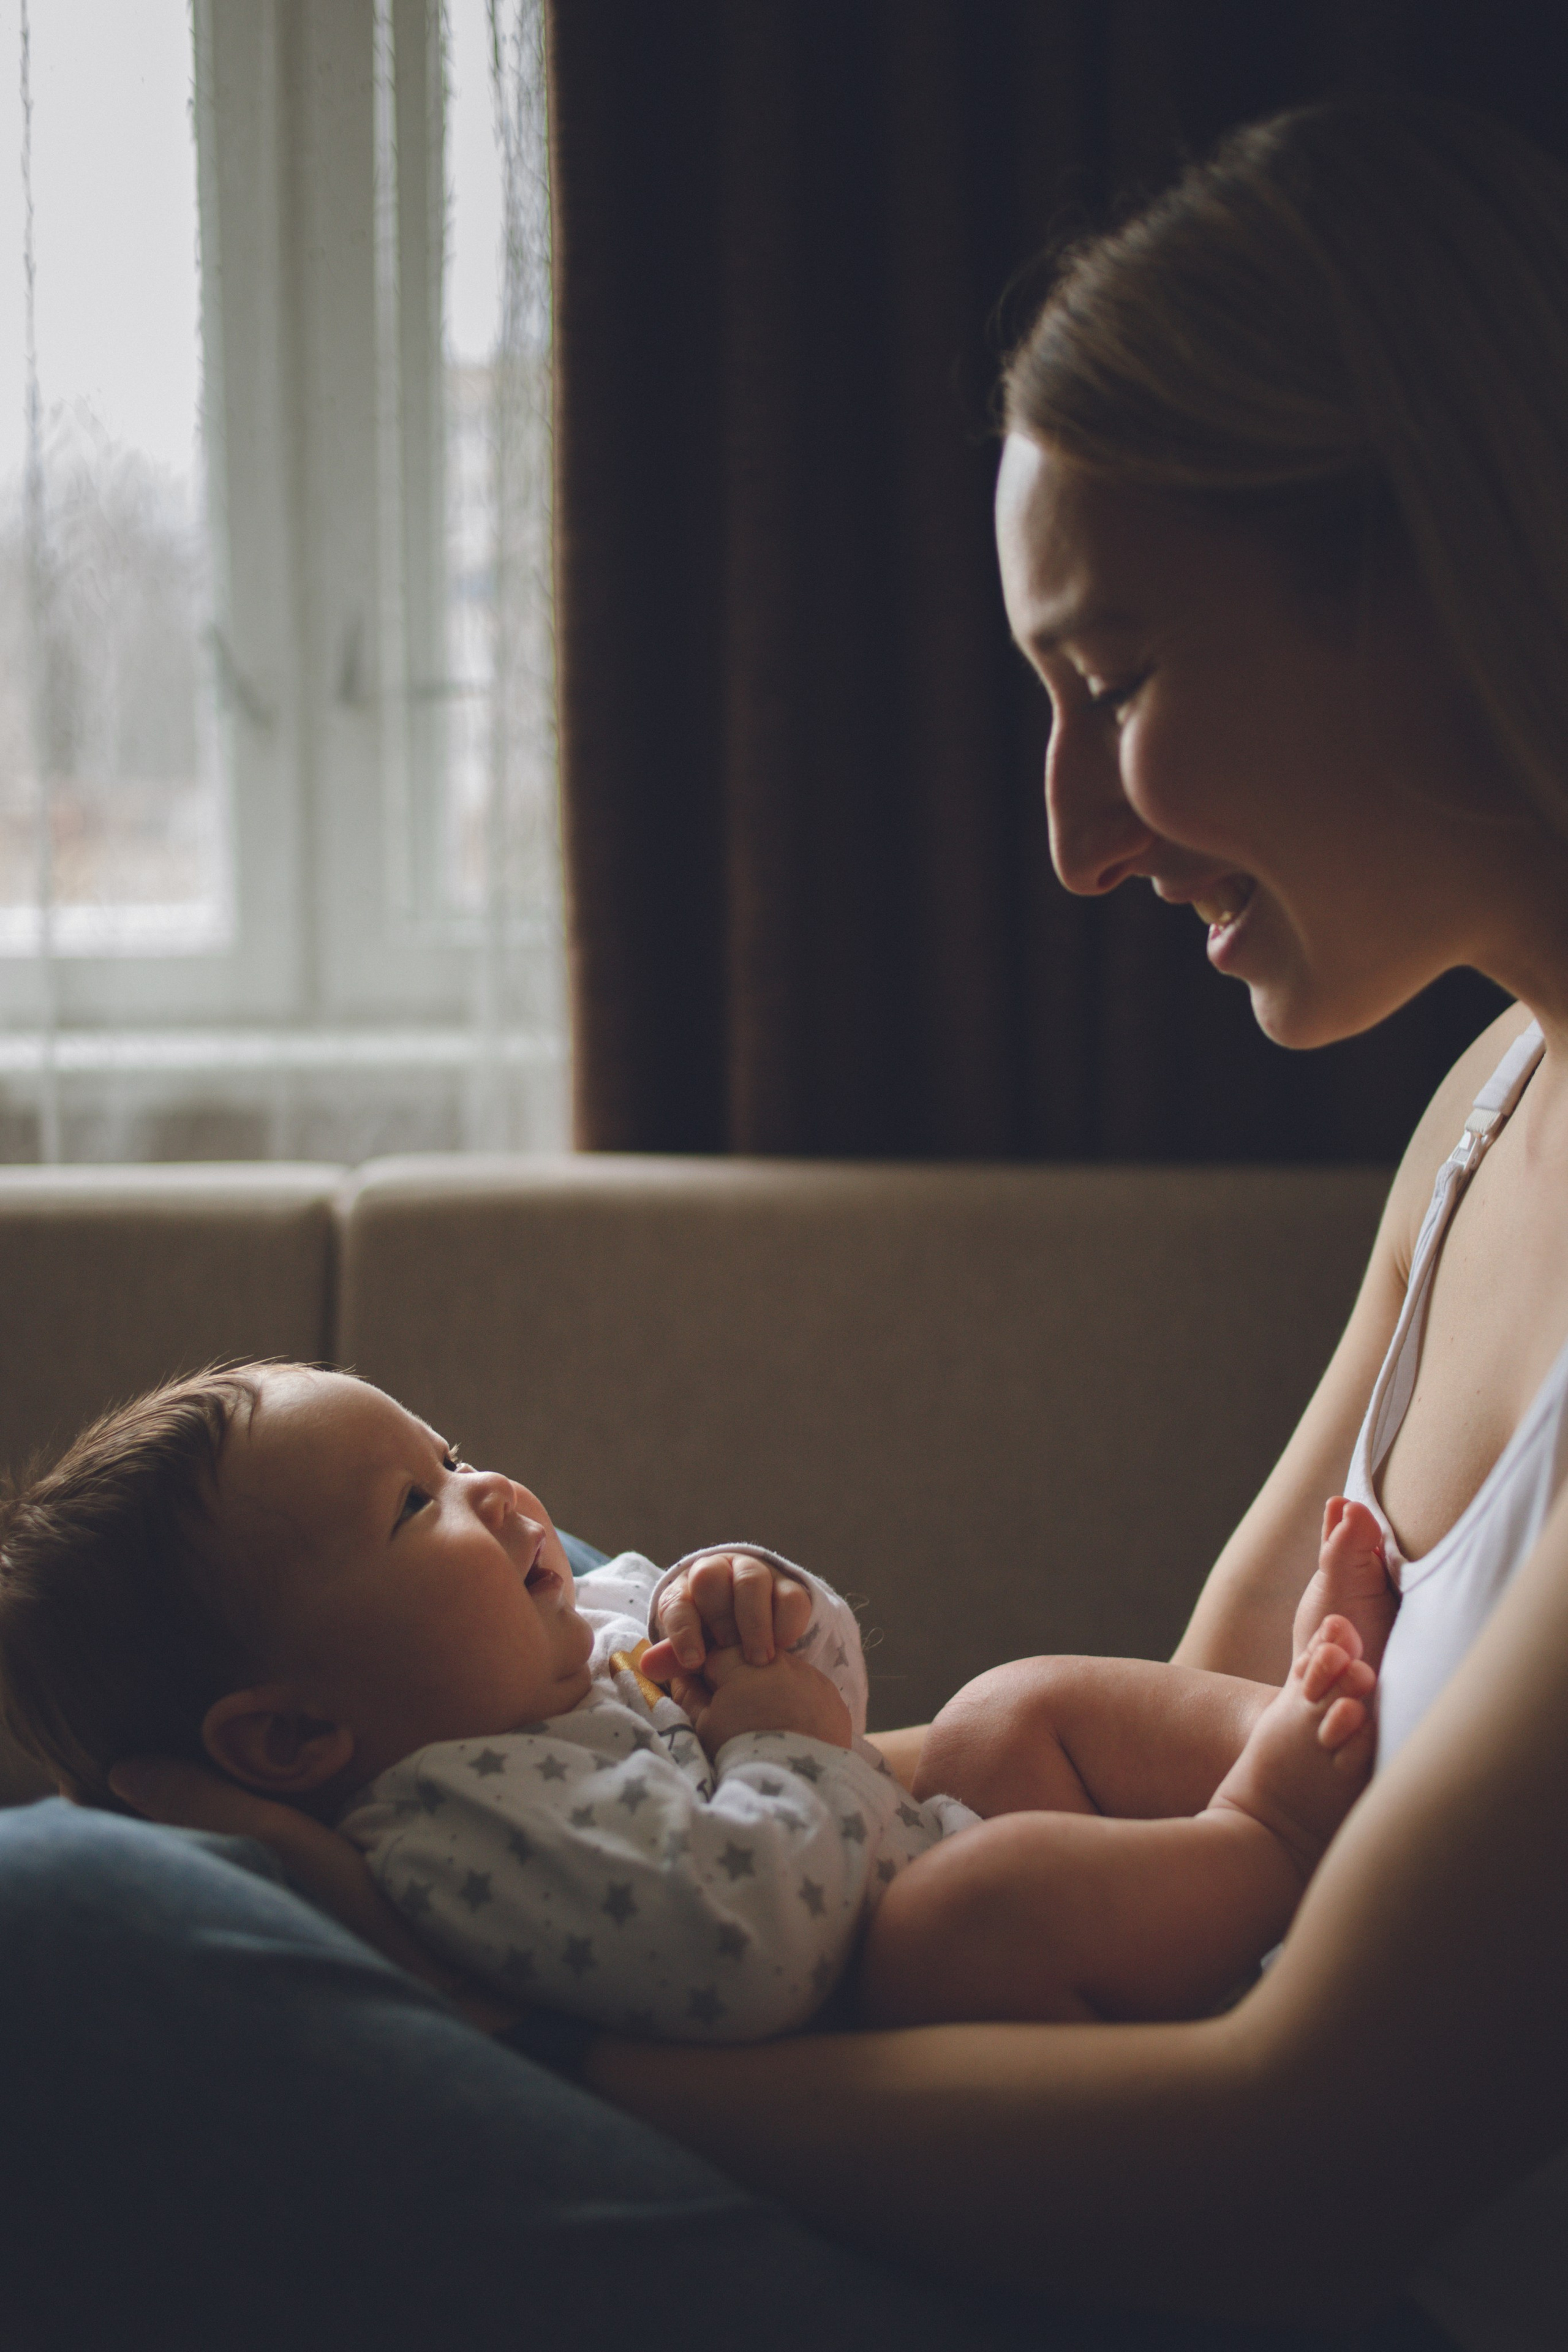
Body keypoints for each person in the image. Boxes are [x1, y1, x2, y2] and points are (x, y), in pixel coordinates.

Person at [6, 86, 1568, 2352]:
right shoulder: (1483, 1120)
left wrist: (486, 2033)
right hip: (1088, 2167)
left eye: (1113, 684)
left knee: (67, 1947)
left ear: (1434, 570)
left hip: (1314, 2288)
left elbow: (1288, 2157)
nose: (1072, 845)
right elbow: (1189, 1738)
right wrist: (767, 1782)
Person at [1, 1361, 1387, 2043]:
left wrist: (754, 1602)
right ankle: (1272, 1832)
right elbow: (734, 1951)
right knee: (971, 1909)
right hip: (913, 2013)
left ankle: (1280, 1713)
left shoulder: (576, 1637)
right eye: (417, 1506)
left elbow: (831, 1694)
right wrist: (777, 1735)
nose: (491, 1491)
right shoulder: (453, 1830)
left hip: (932, 1850)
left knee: (998, 1714)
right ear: (298, 1735)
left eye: (455, 1451)